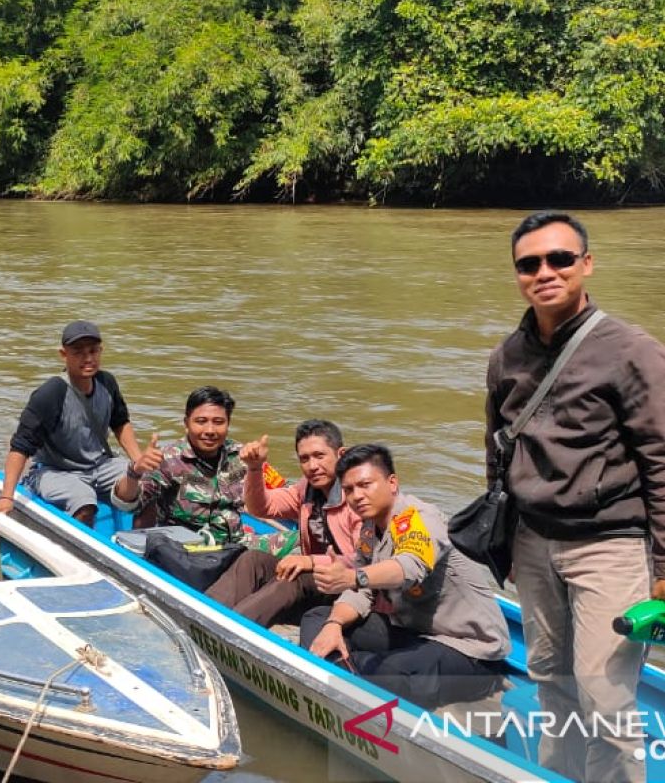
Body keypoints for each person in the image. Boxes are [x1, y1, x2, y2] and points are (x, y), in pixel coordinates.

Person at [486, 211, 665, 782]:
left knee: (606, 700)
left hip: (610, 546)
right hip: (534, 545)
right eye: (529, 263)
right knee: (550, 682)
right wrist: (506, 543)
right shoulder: (506, 357)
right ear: (517, 274)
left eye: (560, 258)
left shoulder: (630, 349)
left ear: (586, 264)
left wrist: (664, 565)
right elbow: (498, 453)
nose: (545, 272)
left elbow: (661, 459)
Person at [298, 444, 510, 709]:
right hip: (414, 632)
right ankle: (349, 676)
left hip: (469, 651)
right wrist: (335, 625)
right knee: (318, 618)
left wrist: (354, 577)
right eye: (349, 490)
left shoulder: (419, 518)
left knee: (392, 673)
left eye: (366, 484)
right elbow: (362, 593)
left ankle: (347, 676)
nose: (357, 496)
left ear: (392, 482)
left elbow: (409, 566)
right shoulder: (369, 529)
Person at [0, 321, 144, 525]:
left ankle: (140, 544)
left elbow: (120, 422)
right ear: (63, 354)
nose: (88, 359)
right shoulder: (51, 393)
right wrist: (6, 497)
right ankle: (81, 549)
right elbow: (21, 445)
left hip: (100, 465)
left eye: (93, 351)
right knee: (85, 503)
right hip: (55, 471)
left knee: (151, 483)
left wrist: (139, 461)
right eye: (78, 352)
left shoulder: (106, 383)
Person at [206, 419, 363, 626]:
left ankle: (230, 629)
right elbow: (262, 508)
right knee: (253, 561)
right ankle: (205, 615)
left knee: (292, 577)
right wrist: (254, 469)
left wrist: (311, 562)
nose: (312, 466)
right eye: (304, 459)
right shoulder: (307, 489)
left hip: (351, 587)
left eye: (319, 456)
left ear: (341, 455)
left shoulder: (360, 497)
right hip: (319, 580)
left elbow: (367, 560)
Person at [108, 386, 241, 541]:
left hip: (235, 540)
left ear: (228, 424)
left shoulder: (242, 455)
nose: (210, 430)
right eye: (201, 421)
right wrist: (134, 471)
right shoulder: (168, 459)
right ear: (187, 423)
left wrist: (257, 469)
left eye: (218, 422)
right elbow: (126, 504)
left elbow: (270, 497)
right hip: (188, 548)